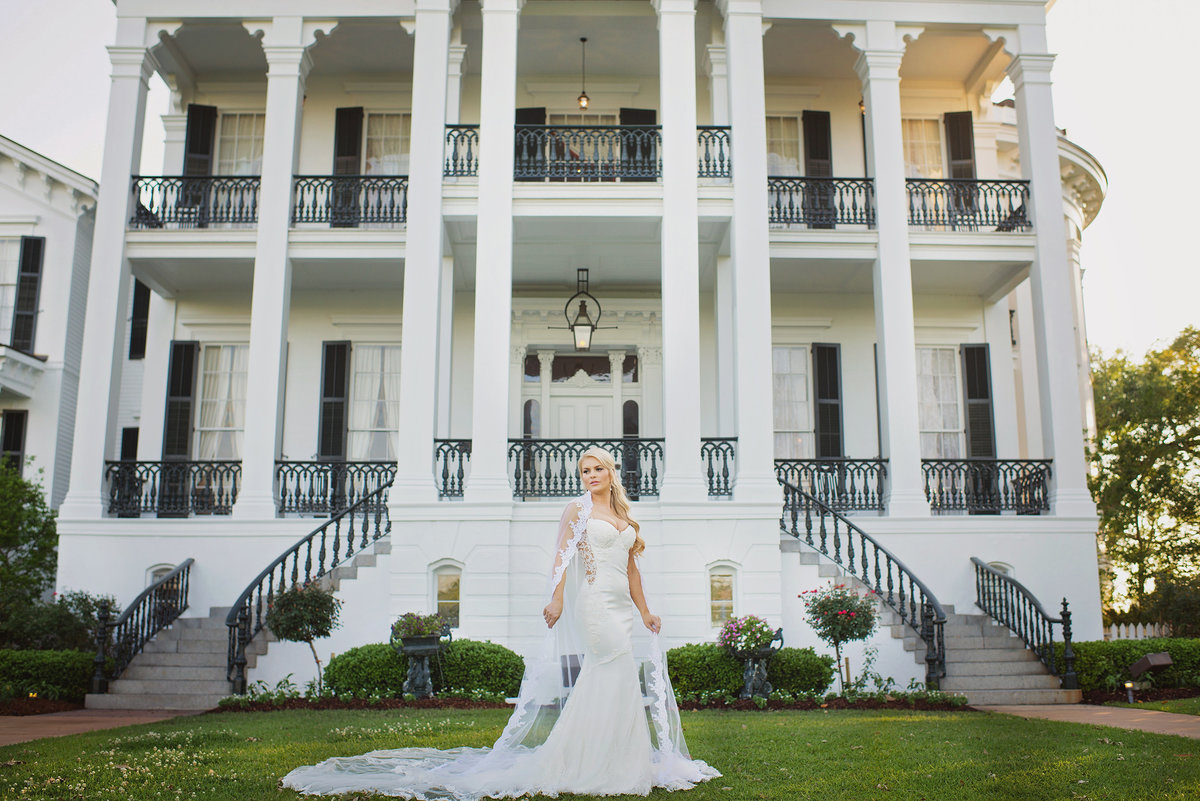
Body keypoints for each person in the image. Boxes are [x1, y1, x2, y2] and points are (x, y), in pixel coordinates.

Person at [281, 447, 719, 798]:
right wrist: (556, 599)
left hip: (623, 605)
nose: (589, 476)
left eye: (596, 469)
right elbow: (561, 560)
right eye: (584, 471)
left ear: (609, 472)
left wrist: (645, 611)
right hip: (597, 607)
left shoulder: (623, 516)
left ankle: (619, 760)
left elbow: (632, 570)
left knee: (619, 675)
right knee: (611, 666)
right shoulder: (577, 511)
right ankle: (588, 761)